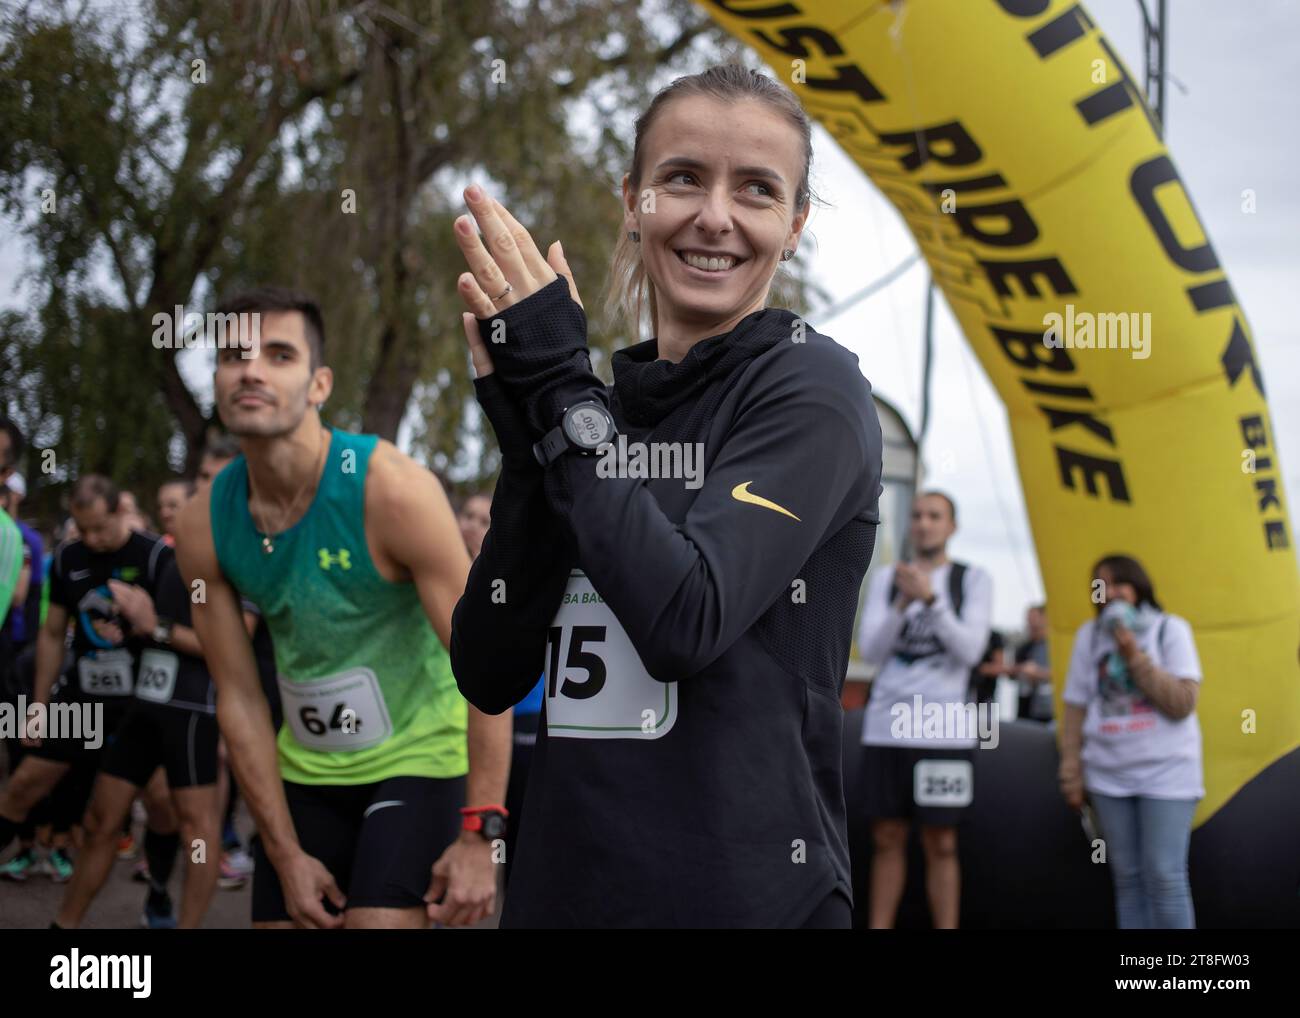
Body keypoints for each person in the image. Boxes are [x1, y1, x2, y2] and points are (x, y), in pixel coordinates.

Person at [450, 64, 883, 928]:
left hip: (750, 903)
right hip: (562, 898)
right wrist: (534, 447)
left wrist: (562, 401)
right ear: (633, 201)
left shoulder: (815, 388)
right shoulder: (593, 416)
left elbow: (684, 618)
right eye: (682, 177)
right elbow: (489, 668)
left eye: (756, 190)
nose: (714, 216)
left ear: (793, 226)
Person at [174, 286, 509, 929]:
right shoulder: (202, 525)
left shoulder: (392, 490)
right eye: (233, 355)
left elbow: (488, 668)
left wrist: (480, 833)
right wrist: (280, 851)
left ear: (318, 383)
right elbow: (240, 698)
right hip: (306, 765)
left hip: (419, 755)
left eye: (278, 354)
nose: (250, 369)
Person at [51, 464, 235, 929]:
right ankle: (63, 927)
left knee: (196, 829)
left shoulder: (226, 558)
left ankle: (179, 919)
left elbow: (227, 648)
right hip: (146, 705)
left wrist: (153, 625)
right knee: (100, 820)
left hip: (193, 710)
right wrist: (126, 625)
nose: (171, 515)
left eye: (182, 505)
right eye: (167, 508)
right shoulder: (165, 559)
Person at [0, 474, 178, 922]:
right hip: (83, 697)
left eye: (100, 528)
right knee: (22, 785)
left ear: (120, 511)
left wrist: (146, 620)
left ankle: (157, 889)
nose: (93, 539)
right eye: (83, 529)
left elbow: (184, 634)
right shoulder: (68, 557)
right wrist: (38, 706)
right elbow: (53, 632)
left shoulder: (156, 555)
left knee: (161, 802)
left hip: (141, 703)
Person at [858, 491, 992, 929]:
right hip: (886, 726)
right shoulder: (885, 579)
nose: (924, 523)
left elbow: (971, 651)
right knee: (887, 837)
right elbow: (872, 650)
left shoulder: (972, 579)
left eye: (935, 516)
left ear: (951, 527)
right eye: (916, 515)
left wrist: (932, 601)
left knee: (942, 841)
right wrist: (902, 602)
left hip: (943, 729)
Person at [1059, 554, 1203, 929]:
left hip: (1167, 774)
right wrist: (1072, 770)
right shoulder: (1088, 637)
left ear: (1139, 587)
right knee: (1127, 879)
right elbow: (1074, 708)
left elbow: (1182, 703)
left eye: (1120, 583)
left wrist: (1133, 656)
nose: (1112, 593)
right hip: (1109, 776)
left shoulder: (1170, 629)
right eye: (1102, 585)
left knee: (1165, 877)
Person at [1013, 604, 1054, 722]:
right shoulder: (1024, 647)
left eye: (1034, 618)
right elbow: (1013, 672)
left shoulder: (1053, 647)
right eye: (1028, 618)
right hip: (1024, 707)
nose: (1030, 622)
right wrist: (1019, 670)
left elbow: (1062, 674)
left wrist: (1038, 673)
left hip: (1046, 711)